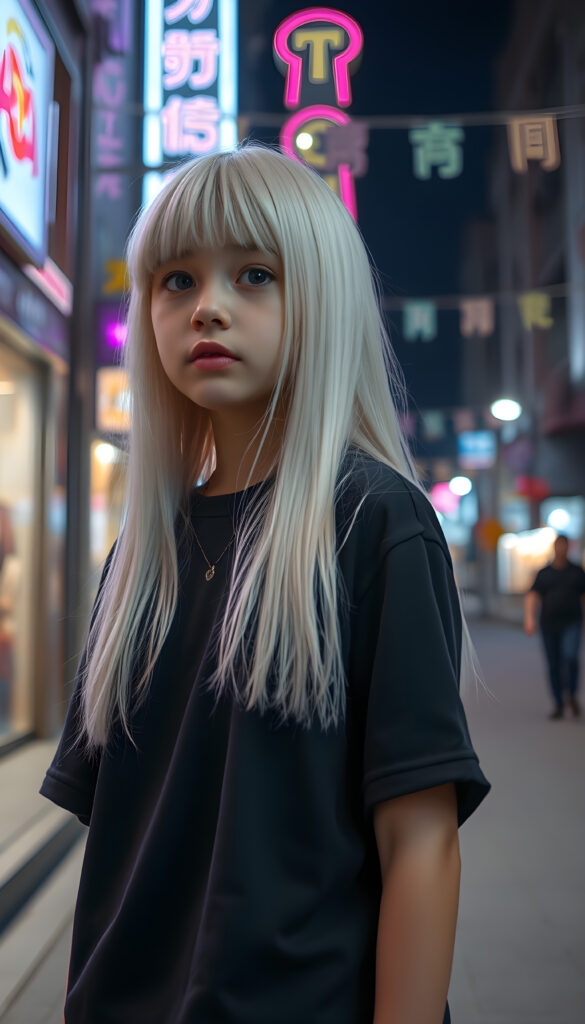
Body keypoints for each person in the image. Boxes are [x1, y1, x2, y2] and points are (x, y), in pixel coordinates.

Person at [39, 143, 490, 1024]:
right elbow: (126, 843)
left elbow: (421, 841)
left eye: (254, 274)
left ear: (320, 298)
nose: (207, 307)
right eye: (174, 280)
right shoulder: (142, 556)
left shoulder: (375, 522)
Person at [524, 533, 585, 719]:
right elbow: (533, 595)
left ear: (568, 548)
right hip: (549, 624)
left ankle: (571, 693)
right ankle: (558, 702)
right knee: (553, 664)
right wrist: (529, 618)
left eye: (564, 546)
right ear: (554, 548)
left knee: (570, 656)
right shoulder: (544, 573)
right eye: (558, 546)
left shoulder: (577, 571)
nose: (561, 549)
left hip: (572, 622)